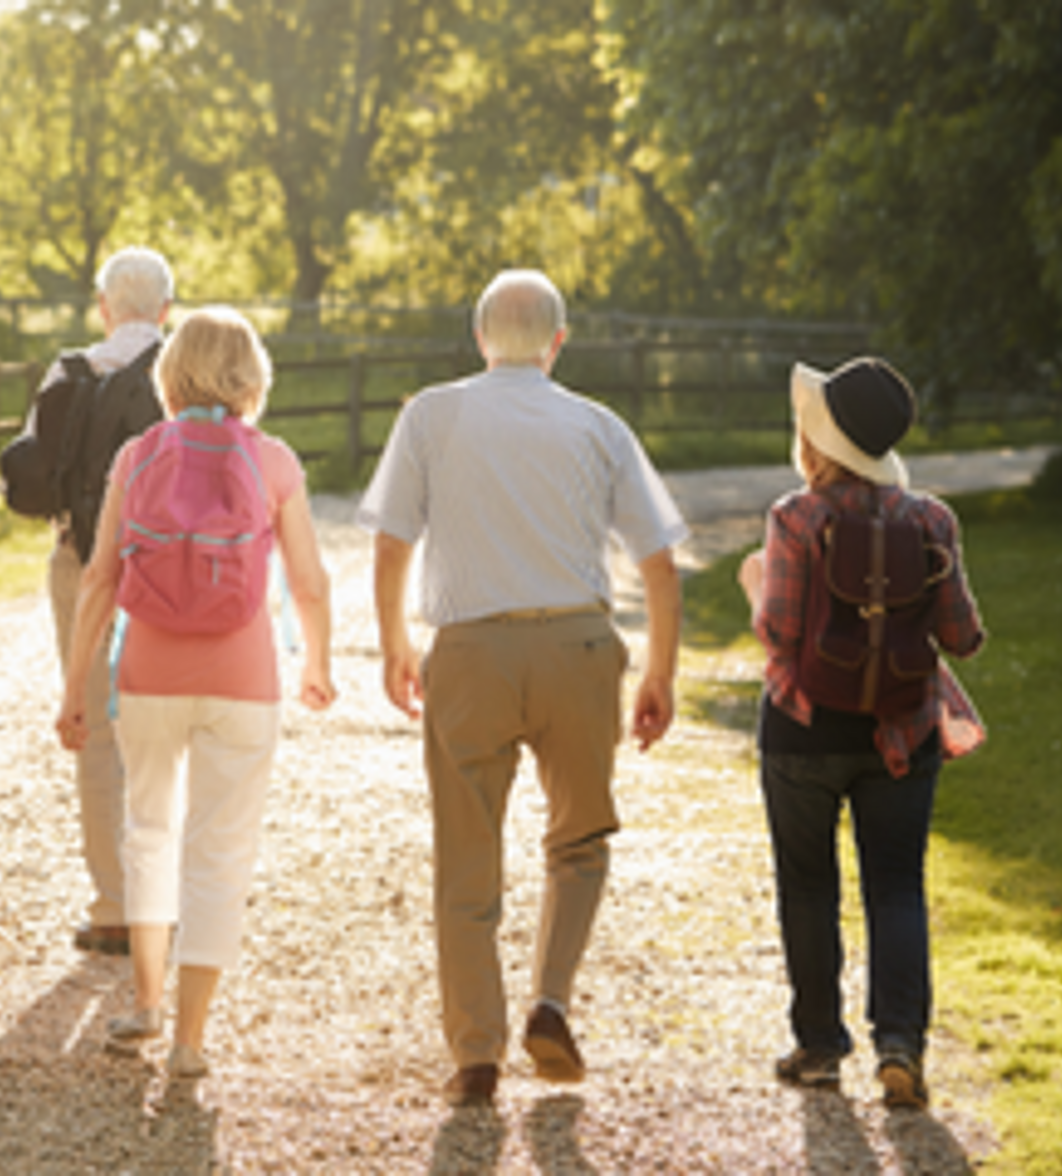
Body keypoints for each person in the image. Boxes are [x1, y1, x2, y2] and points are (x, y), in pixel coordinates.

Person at [358, 269, 687, 1108]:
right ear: (558, 342)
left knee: (467, 855)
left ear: (478, 338)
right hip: (578, 646)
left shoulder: (431, 413)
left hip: (470, 655)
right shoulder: (599, 425)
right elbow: (658, 561)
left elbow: (393, 542)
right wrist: (659, 672)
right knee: (578, 841)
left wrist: (396, 642)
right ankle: (550, 999)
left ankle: (476, 1051)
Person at [56, 305, 336, 1079]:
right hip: (244, 680)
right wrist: (318, 662)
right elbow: (309, 581)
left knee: (149, 832)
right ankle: (189, 1040)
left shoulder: (137, 453)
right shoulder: (272, 460)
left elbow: (97, 578)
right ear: (252, 377)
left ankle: (144, 1003)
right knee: (220, 850)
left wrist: (77, 685)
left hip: (147, 673)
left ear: (170, 375)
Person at [736, 357, 986, 1110]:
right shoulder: (931, 520)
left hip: (803, 727)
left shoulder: (795, 517)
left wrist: (754, 586)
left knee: (808, 884)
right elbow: (964, 637)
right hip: (903, 731)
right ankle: (901, 1045)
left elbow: (780, 630)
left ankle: (818, 1046)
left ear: (819, 442)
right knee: (897, 885)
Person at [39, 247, 173, 957]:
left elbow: (34, 478)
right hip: (171, 570)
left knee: (93, 728)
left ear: (102, 307)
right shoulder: (184, 374)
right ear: (166, 311)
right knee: (165, 730)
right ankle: (167, 900)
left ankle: (114, 905)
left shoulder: (70, 373)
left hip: (81, 557)